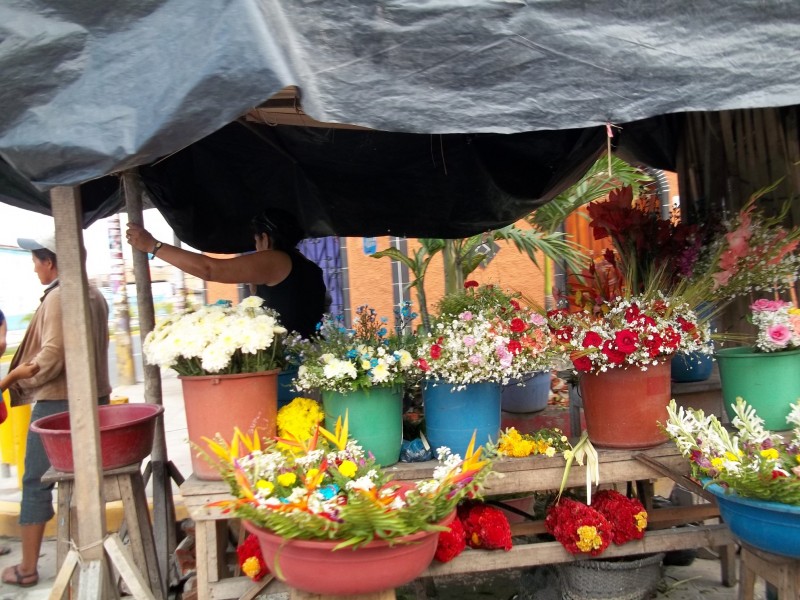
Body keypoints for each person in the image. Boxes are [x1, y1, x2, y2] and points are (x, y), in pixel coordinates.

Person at [0, 231, 111, 588]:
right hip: (93, 399)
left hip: (58, 403)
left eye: (35, 261)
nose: (34, 268)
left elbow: (50, 357)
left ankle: (28, 569)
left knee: (34, 482)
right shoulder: (93, 293)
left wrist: (18, 377)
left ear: (49, 261)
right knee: (79, 483)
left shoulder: (62, 296)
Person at [126, 208, 327, 338]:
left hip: (289, 361)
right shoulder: (307, 266)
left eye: (256, 241)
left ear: (264, 238)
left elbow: (209, 270)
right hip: (307, 353)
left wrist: (154, 246)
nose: (256, 248)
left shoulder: (275, 259)